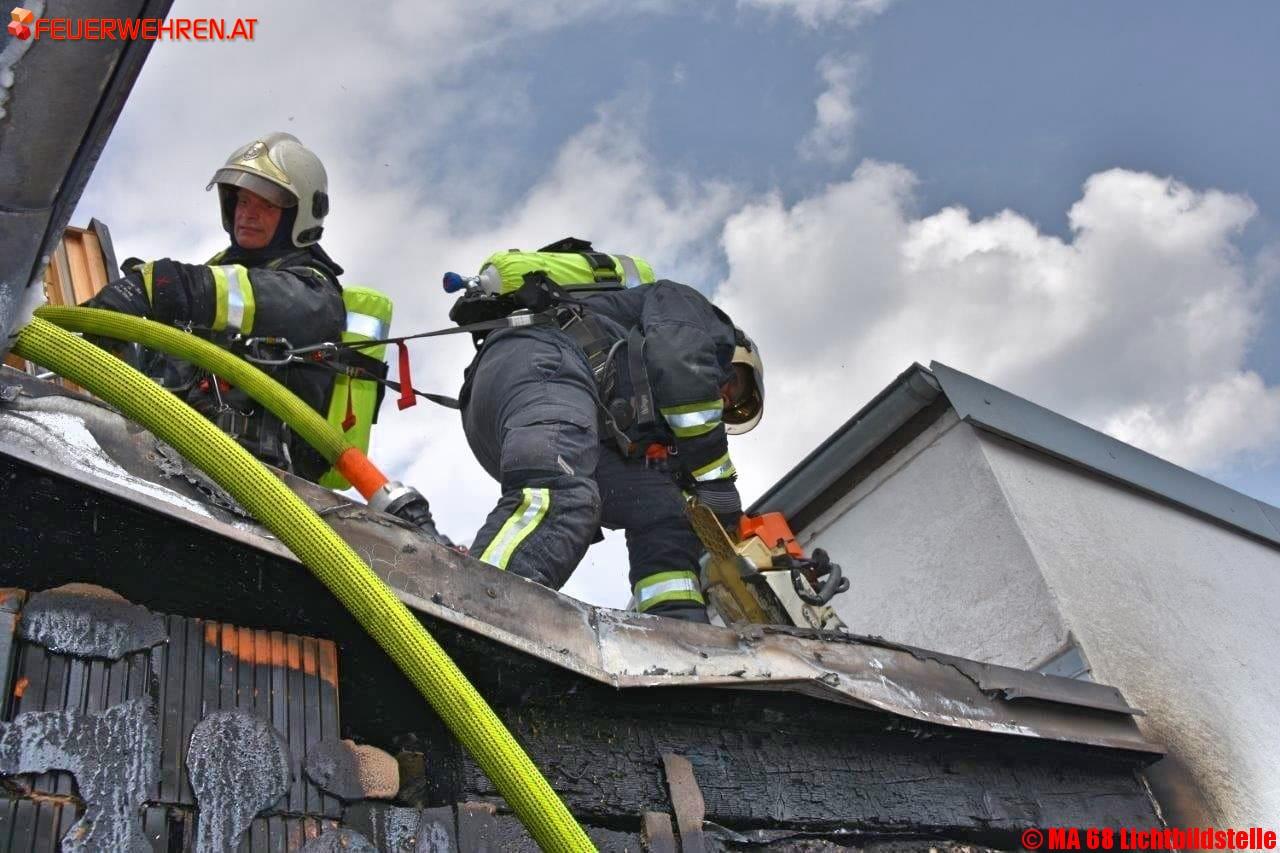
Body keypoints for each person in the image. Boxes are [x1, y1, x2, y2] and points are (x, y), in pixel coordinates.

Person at [82, 132, 446, 539]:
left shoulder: (311, 292)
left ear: (298, 216)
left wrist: (162, 287)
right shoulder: (215, 283)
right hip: (173, 464)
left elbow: (248, 298)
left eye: (266, 204)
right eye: (242, 200)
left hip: (254, 492)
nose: (247, 214)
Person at [454, 240, 764, 622]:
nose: (722, 399)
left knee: (663, 513)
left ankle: (678, 632)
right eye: (733, 387)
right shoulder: (686, 308)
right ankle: (477, 612)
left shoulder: (644, 411)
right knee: (560, 495)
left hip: (509, 413)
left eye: (731, 406)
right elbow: (683, 366)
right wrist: (716, 481)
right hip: (540, 362)